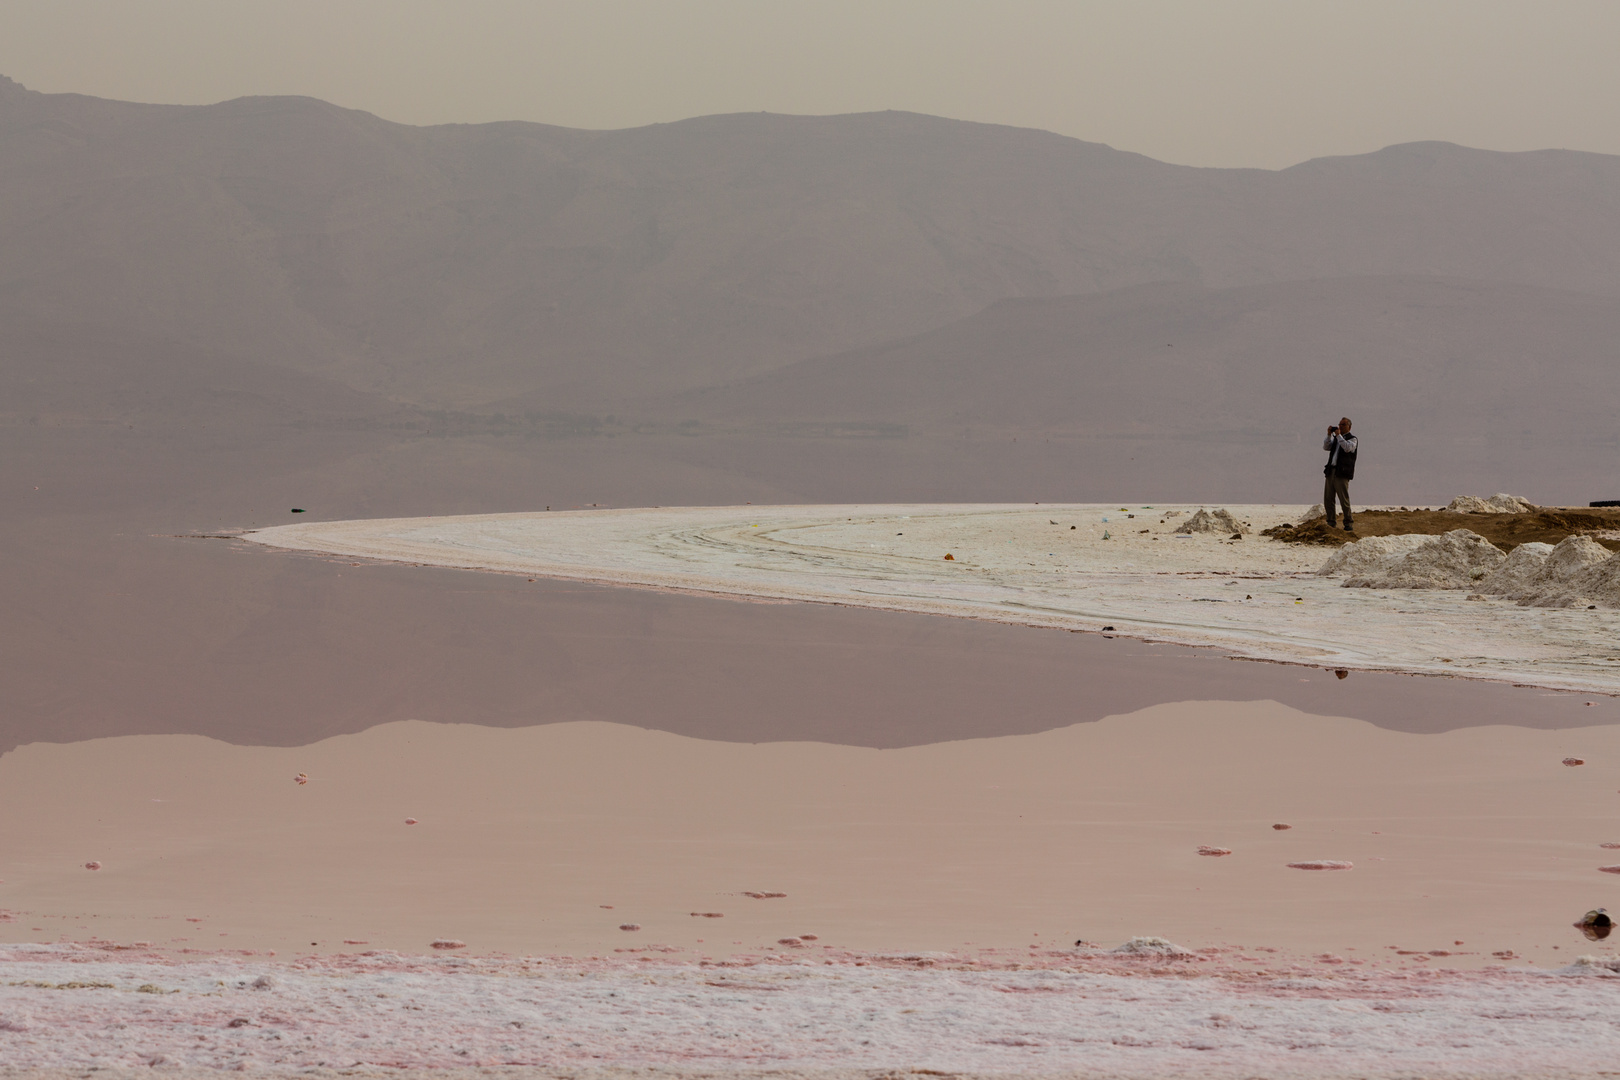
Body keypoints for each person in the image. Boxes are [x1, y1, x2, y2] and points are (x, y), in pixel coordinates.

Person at [1322, 417, 1358, 531]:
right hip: (1331, 471)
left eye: (1343, 425)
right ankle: (1331, 521)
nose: (1340, 427)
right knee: (1328, 498)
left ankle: (1348, 522)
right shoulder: (1337, 439)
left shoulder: (1353, 439)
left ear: (1349, 427)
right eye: (1339, 425)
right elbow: (1326, 447)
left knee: (1343, 499)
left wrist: (1338, 436)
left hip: (1342, 473)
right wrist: (1329, 435)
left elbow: (1347, 448)